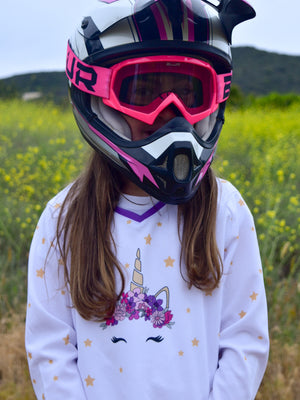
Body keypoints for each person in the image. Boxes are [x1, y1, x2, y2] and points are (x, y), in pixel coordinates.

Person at [25, 0, 269, 399]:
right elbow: (50, 352)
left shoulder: (226, 210)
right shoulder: (62, 219)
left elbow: (245, 343)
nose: (170, 114)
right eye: (142, 91)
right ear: (97, 95)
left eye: (189, 93)